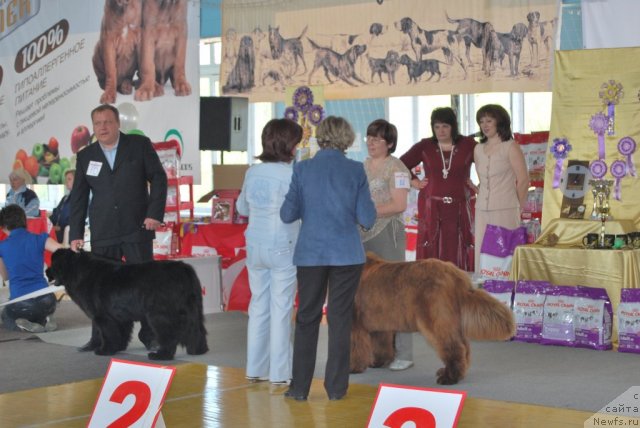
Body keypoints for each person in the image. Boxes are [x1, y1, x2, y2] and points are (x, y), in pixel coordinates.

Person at [280, 116, 376, 402]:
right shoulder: (356, 170)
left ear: (319, 137)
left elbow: (287, 214)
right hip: (347, 254)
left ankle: (299, 388)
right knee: (339, 318)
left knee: (307, 318)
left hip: (310, 254)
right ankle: (336, 389)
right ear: (347, 139)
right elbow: (367, 218)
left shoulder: (303, 168)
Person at [68, 104, 167, 351]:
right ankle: (102, 337)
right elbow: (78, 198)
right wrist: (76, 234)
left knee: (143, 284)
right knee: (100, 288)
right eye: (97, 123)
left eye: (107, 122)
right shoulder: (85, 155)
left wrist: (154, 214)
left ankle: (151, 335)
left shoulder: (139, 145)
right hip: (103, 231)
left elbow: (158, 178)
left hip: (137, 227)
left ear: (117, 123)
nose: (102, 127)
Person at [236, 118, 303, 385]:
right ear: (289, 145)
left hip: (255, 245)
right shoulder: (292, 174)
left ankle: (255, 368)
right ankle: (280, 373)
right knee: (281, 307)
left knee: (259, 306)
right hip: (283, 247)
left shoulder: (252, 172)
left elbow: (242, 209)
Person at [362, 119, 414, 371]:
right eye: (369, 138)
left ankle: (404, 352)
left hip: (387, 234)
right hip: (362, 236)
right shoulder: (361, 167)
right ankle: (378, 352)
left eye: (377, 139)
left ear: (389, 143)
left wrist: (368, 213)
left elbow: (399, 205)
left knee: (396, 292)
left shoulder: (398, 168)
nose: (371, 143)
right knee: (368, 297)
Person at [400, 107, 476, 271]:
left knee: (459, 246)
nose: (441, 130)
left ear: (453, 126)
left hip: (459, 207)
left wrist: (480, 187)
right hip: (431, 207)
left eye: (445, 126)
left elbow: (490, 164)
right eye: (437, 126)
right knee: (430, 245)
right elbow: (400, 164)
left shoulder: (468, 144)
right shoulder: (425, 145)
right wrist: (414, 181)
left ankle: (458, 287)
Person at [474, 104, 529, 273]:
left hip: (506, 210)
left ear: (500, 122)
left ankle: (505, 293)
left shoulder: (510, 146)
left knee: (504, 256)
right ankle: (483, 293)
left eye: (489, 120)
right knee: (482, 255)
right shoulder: (477, 149)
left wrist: (517, 206)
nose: (485, 125)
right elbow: (483, 181)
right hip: (482, 210)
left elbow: (524, 180)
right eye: (481, 121)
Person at [0, 205, 63, 333]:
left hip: (21, 304)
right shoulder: (39, 238)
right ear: (25, 221)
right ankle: (46, 318)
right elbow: (62, 251)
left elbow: (5, 277)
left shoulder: (2, 246)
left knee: (5, 315)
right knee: (41, 308)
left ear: (4, 227)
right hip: (47, 300)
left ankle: (23, 324)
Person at [49, 169, 75, 243]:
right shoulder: (65, 198)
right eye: (65, 179)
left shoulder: (81, 199)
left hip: (69, 236)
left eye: (69, 179)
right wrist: (47, 221)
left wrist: (60, 228)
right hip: (57, 233)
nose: (66, 182)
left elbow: (78, 220)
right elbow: (56, 213)